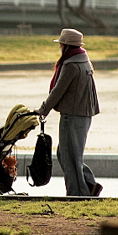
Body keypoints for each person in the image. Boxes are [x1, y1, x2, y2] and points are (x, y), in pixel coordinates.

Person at [36, 28, 102, 197]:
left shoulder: (71, 65)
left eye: (61, 44)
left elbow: (58, 91)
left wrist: (43, 110)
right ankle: (90, 184)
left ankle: (76, 193)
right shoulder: (84, 60)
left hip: (72, 116)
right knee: (67, 154)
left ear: (65, 45)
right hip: (84, 115)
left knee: (70, 157)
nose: (59, 47)